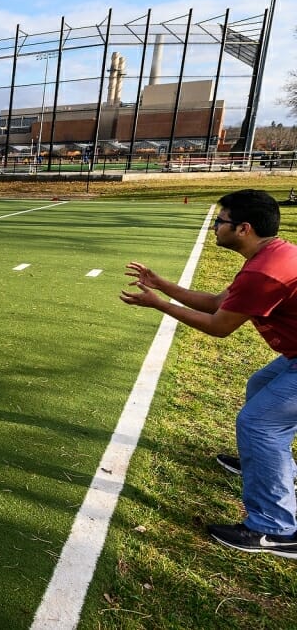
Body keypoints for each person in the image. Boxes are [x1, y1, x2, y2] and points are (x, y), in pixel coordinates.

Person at [120, 189, 297, 558]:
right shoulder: (270, 255)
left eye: (221, 221)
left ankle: (276, 530)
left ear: (243, 228)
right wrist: (161, 285)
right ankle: (267, 462)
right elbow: (219, 302)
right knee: (261, 386)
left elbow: (219, 325)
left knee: (260, 425)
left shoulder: (265, 271)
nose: (216, 226)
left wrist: (159, 304)